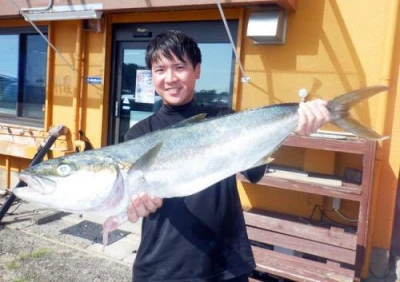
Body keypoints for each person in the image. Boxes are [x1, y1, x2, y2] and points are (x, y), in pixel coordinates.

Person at [124, 30, 330, 282]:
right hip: (161, 267)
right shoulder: (139, 135)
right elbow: (129, 196)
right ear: (152, 75)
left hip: (225, 264)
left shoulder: (224, 119)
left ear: (197, 70)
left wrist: (293, 124)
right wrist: (133, 203)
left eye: (179, 67)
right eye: (160, 70)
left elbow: (254, 172)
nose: (170, 78)